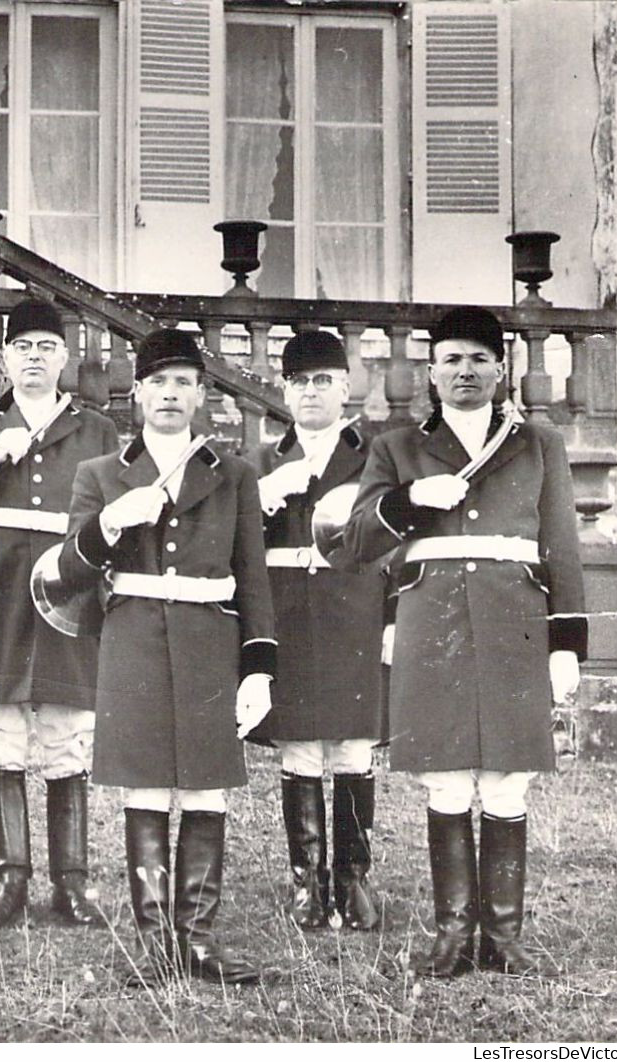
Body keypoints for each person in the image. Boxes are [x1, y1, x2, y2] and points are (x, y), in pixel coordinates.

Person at [344, 306, 585, 979]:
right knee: (446, 776)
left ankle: (502, 937)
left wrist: (564, 642)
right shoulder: (396, 447)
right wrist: (409, 498)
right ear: (430, 371)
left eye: (478, 359)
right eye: (450, 359)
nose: (464, 371)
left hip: (514, 617)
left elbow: (560, 546)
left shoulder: (537, 443)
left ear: (500, 369)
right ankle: (452, 933)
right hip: (433, 618)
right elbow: (359, 540)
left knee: (507, 777)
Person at [48, 328, 276, 985]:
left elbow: (252, 576)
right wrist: (110, 523)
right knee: (145, 785)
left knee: (205, 788)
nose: (170, 394)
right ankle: (154, 946)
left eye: (183, 382)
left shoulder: (232, 474)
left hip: (210, 641)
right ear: (136, 394)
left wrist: (258, 667)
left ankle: (198, 941)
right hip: (134, 638)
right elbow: (65, 571)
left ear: (201, 395)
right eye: (158, 382)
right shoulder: (99, 475)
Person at [0, 297, 119, 928]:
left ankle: (71, 882)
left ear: (65, 358)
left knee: (66, 730)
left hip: (68, 581)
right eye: (23, 347)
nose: (34, 358)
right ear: (3, 358)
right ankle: (11, 879)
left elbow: (108, 512)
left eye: (46, 347)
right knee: (2, 731)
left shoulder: (96, 429)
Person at [247, 330, 387, 932]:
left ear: (346, 387)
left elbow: (398, 542)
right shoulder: (257, 461)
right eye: (300, 382)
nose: (311, 392)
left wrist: (393, 621)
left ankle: (353, 880)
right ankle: (307, 882)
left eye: (324, 381)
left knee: (353, 744)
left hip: (355, 608)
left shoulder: (375, 455)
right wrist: (262, 498)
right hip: (289, 614)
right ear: (284, 389)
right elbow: (232, 546)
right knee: (300, 747)